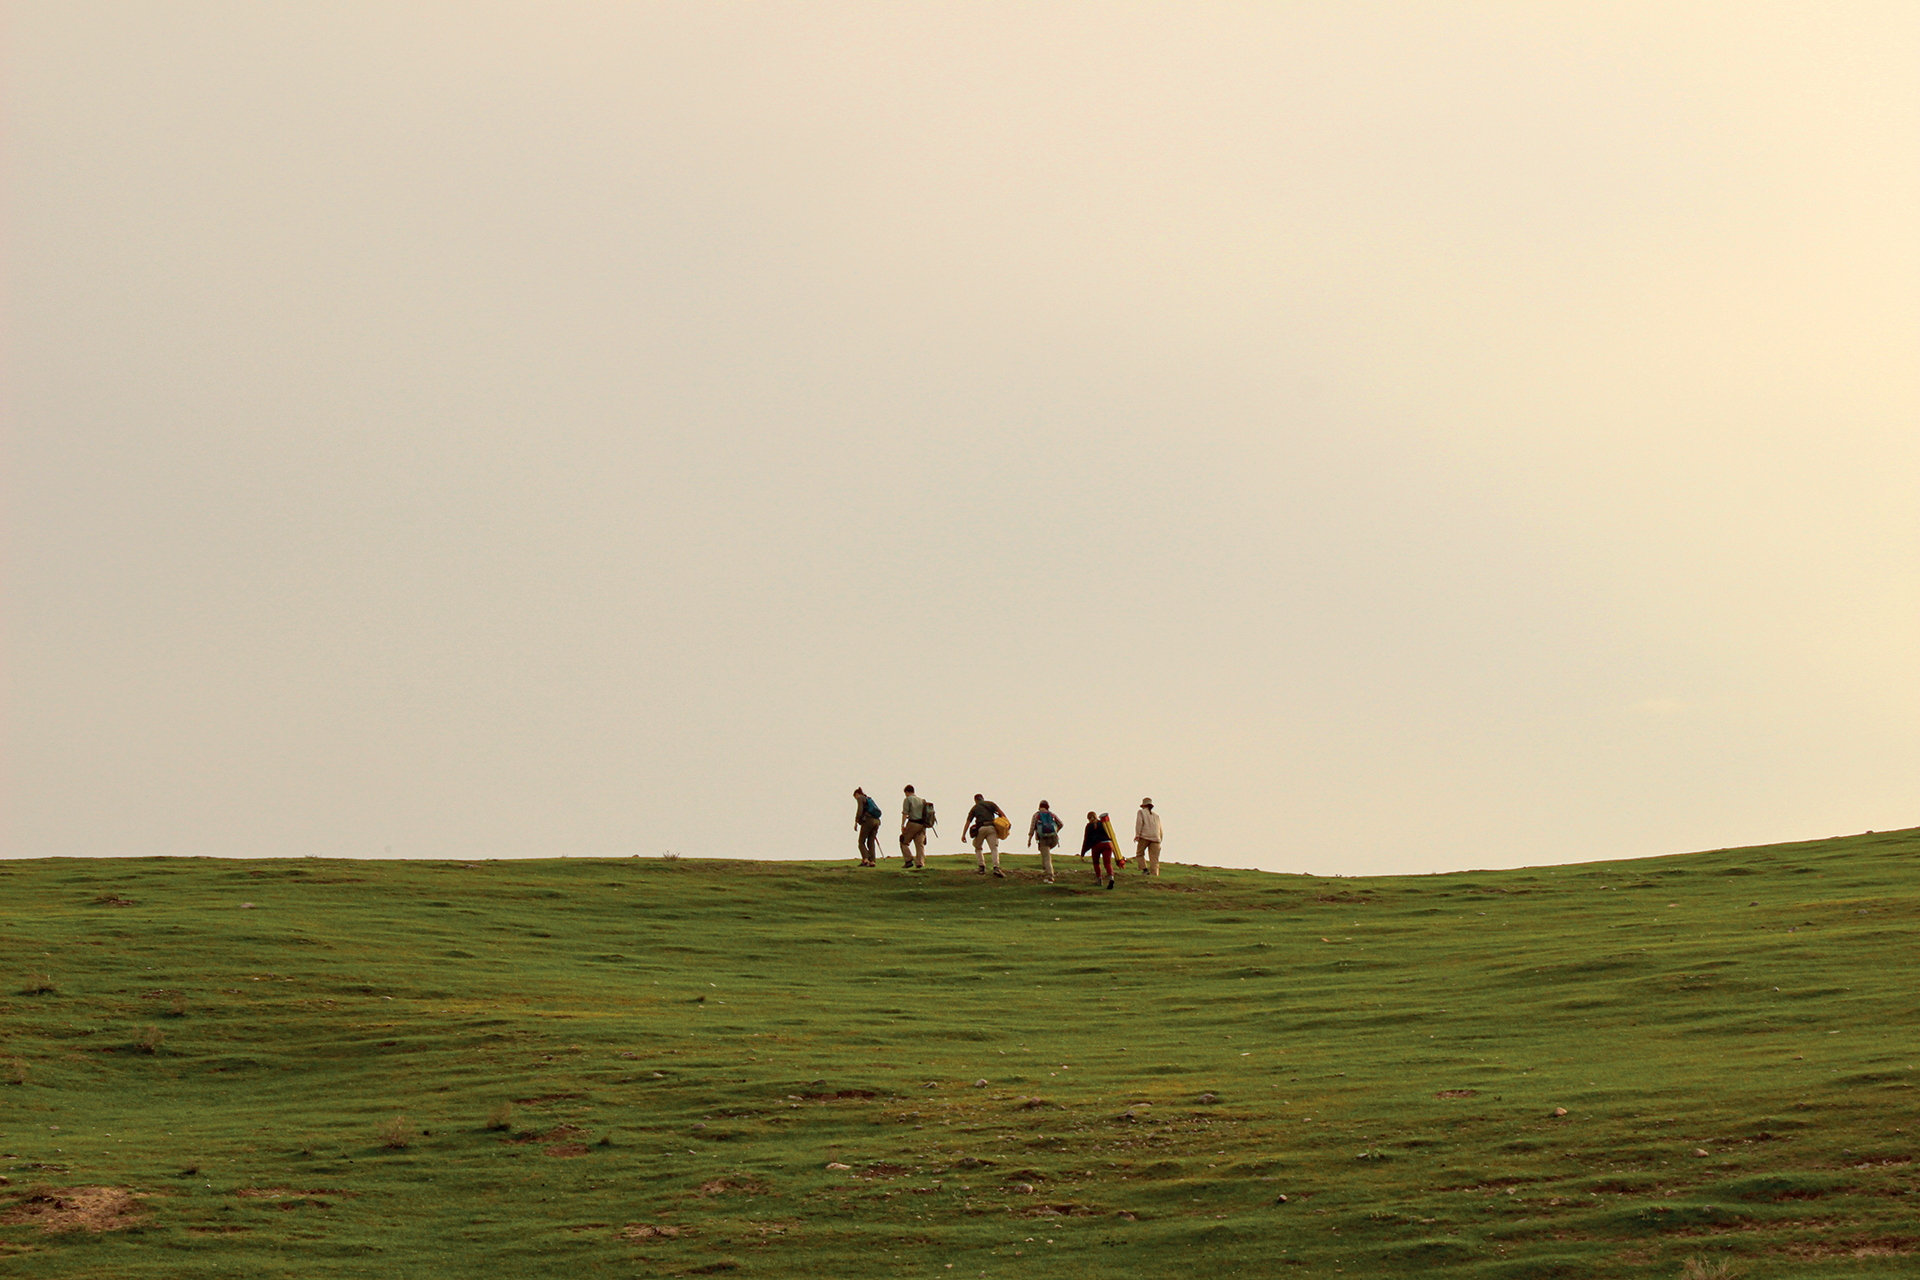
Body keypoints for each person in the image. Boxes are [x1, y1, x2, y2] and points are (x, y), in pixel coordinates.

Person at [964, 794, 1008, 877]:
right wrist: (1006, 824)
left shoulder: (974, 808)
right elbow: (1002, 814)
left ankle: (981, 867)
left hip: (981, 828)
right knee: (994, 848)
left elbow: (968, 822)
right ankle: (996, 867)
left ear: (975, 800)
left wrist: (963, 835)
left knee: (977, 847)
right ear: (983, 798)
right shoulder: (990, 804)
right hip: (992, 828)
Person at [1027, 800, 1062, 882]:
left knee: (1046, 857)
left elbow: (1032, 829)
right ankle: (1046, 870)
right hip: (1053, 839)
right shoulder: (1052, 815)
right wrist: (1055, 831)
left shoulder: (1036, 815)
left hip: (1043, 839)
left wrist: (1029, 840)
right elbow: (1061, 824)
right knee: (1045, 855)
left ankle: (1050, 875)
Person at [899, 785, 932, 870]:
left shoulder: (908, 800)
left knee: (904, 841)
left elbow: (905, 813)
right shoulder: (922, 800)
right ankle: (920, 862)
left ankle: (908, 860)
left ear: (907, 792)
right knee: (919, 844)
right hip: (922, 825)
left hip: (913, 823)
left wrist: (903, 825)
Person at [1082, 810, 1115, 889]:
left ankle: (1099, 880)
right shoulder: (1103, 823)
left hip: (1097, 845)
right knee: (1107, 863)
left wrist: (1083, 852)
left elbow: (1086, 839)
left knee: (1096, 863)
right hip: (1108, 844)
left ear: (1088, 818)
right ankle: (1111, 878)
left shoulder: (1089, 826)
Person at [852, 788, 883, 866]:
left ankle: (865, 859)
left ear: (857, 794)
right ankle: (872, 861)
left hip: (868, 821)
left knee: (861, 841)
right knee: (871, 841)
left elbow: (860, 810)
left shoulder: (860, 798)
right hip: (877, 821)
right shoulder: (868, 798)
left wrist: (856, 821)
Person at [1134, 797, 1163, 876]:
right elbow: (1160, 828)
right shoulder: (1156, 816)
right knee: (1154, 858)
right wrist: (1160, 838)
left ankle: (1144, 869)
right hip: (1156, 838)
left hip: (1145, 836)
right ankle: (1154, 874)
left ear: (1143, 805)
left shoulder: (1141, 812)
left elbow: (1139, 823)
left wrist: (1137, 835)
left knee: (1139, 853)